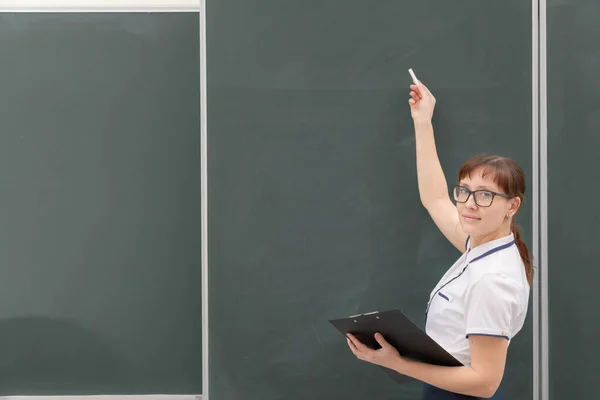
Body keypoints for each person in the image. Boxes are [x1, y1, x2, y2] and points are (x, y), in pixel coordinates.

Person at [346, 80, 532, 399]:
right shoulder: (484, 244)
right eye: (464, 192)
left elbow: (485, 383)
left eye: (485, 195)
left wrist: (397, 362)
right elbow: (435, 198)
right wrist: (423, 120)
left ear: (511, 206)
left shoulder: (493, 280)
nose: (470, 204)